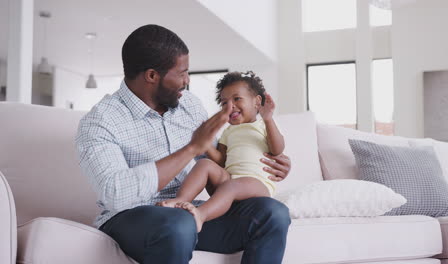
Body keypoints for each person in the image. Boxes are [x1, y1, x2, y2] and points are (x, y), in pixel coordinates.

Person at [76, 24, 291, 264]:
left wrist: (270, 159)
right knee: (179, 224)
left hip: (188, 212)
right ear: (151, 76)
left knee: (273, 213)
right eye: (181, 73)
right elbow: (115, 194)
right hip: (131, 217)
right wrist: (190, 149)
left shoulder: (189, 104)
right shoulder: (100, 121)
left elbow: (221, 162)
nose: (187, 81)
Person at [159, 71, 285, 233]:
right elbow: (221, 162)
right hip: (230, 181)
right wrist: (206, 145)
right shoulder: (228, 132)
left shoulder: (264, 125)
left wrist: (268, 118)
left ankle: (200, 215)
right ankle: (181, 200)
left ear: (257, 102)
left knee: (232, 186)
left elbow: (277, 149)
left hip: (257, 184)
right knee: (205, 163)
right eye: (224, 103)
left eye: (237, 98)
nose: (230, 106)